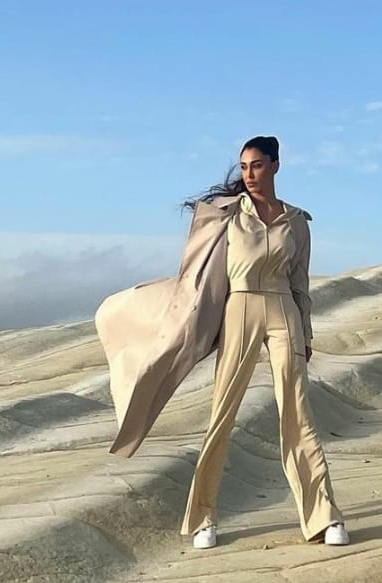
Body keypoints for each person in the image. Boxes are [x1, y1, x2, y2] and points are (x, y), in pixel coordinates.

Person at [94, 136, 348, 549]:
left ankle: (324, 516)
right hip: (238, 310)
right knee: (223, 415)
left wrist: (306, 332)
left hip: (283, 310)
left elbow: (300, 283)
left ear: (275, 166)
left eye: (257, 165)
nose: (249, 174)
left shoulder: (297, 222)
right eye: (244, 167)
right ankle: (203, 518)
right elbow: (195, 273)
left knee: (298, 414)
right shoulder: (225, 215)